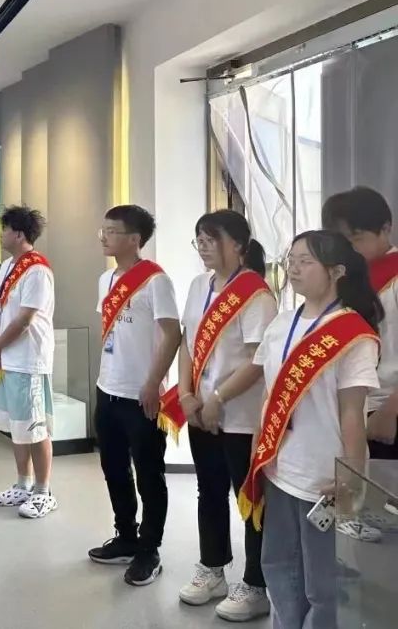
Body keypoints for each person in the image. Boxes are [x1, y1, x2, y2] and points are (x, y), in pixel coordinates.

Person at [236, 231, 381, 629]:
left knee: (321, 580)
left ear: (336, 272)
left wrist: (351, 476)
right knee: (277, 562)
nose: (293, 269)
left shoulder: (352, 334)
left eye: (305, 261)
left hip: (323, 476)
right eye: (291, 260)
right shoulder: (282, 323)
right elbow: (269, 393)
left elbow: (352, 412)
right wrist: (258, 443)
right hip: (279, 466)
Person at [174, 211, 277, 622]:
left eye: (211, 239)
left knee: (249, 500)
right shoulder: (198, 285)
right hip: (200, 411)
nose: (203, 247)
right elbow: (187, 343)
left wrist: (218, 397)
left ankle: (256, 585)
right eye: (198, 239)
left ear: (238, 244)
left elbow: (258, 360)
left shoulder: (256, 295)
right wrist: (185, 394)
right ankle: (212, 568)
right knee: (209, 490)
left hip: (240, 417)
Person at [88, 205, 181, 587]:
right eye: (104, 230)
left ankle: (149, 549)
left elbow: (173, 334)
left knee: (149, 475)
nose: (104, 237)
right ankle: (126, 535)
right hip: (107, 388)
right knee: (114, 468)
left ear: (134, 239)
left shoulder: (156, 281)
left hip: (142, 395)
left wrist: (153, 382)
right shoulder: (106, 279)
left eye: (112, 231)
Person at [0, 206, 58, 517]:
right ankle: (22, 484)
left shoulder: (37, 270)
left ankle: (43, 491)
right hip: (8, 359)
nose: (0, 235)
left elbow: (25, 319)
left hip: (29, 359)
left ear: (18, 234)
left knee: (35, 427)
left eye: (4, 229)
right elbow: (0, 310)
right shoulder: (7, 266)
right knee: (17, 426)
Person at [322, 187, 398, 459]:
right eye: (343, 241)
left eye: (357, 239)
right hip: (346, 408)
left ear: (385, 229)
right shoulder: (342, 281)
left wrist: (391, 410)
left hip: (385, 409)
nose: (349, 249)